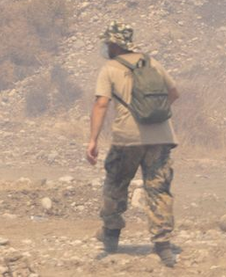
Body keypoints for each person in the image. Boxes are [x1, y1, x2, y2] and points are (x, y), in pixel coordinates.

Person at [87, 22, 180, 267]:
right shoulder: (152, 62)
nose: (107, 47)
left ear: (115, 45)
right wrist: (154, 114)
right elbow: (173, 94)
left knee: (116, 184)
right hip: (161, 137)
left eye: (108, 43)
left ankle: (111, 235)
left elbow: (101, 105)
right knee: (158, 190)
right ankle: (163, 245)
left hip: (127, 138)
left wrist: (93, 140)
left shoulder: (110, 68)